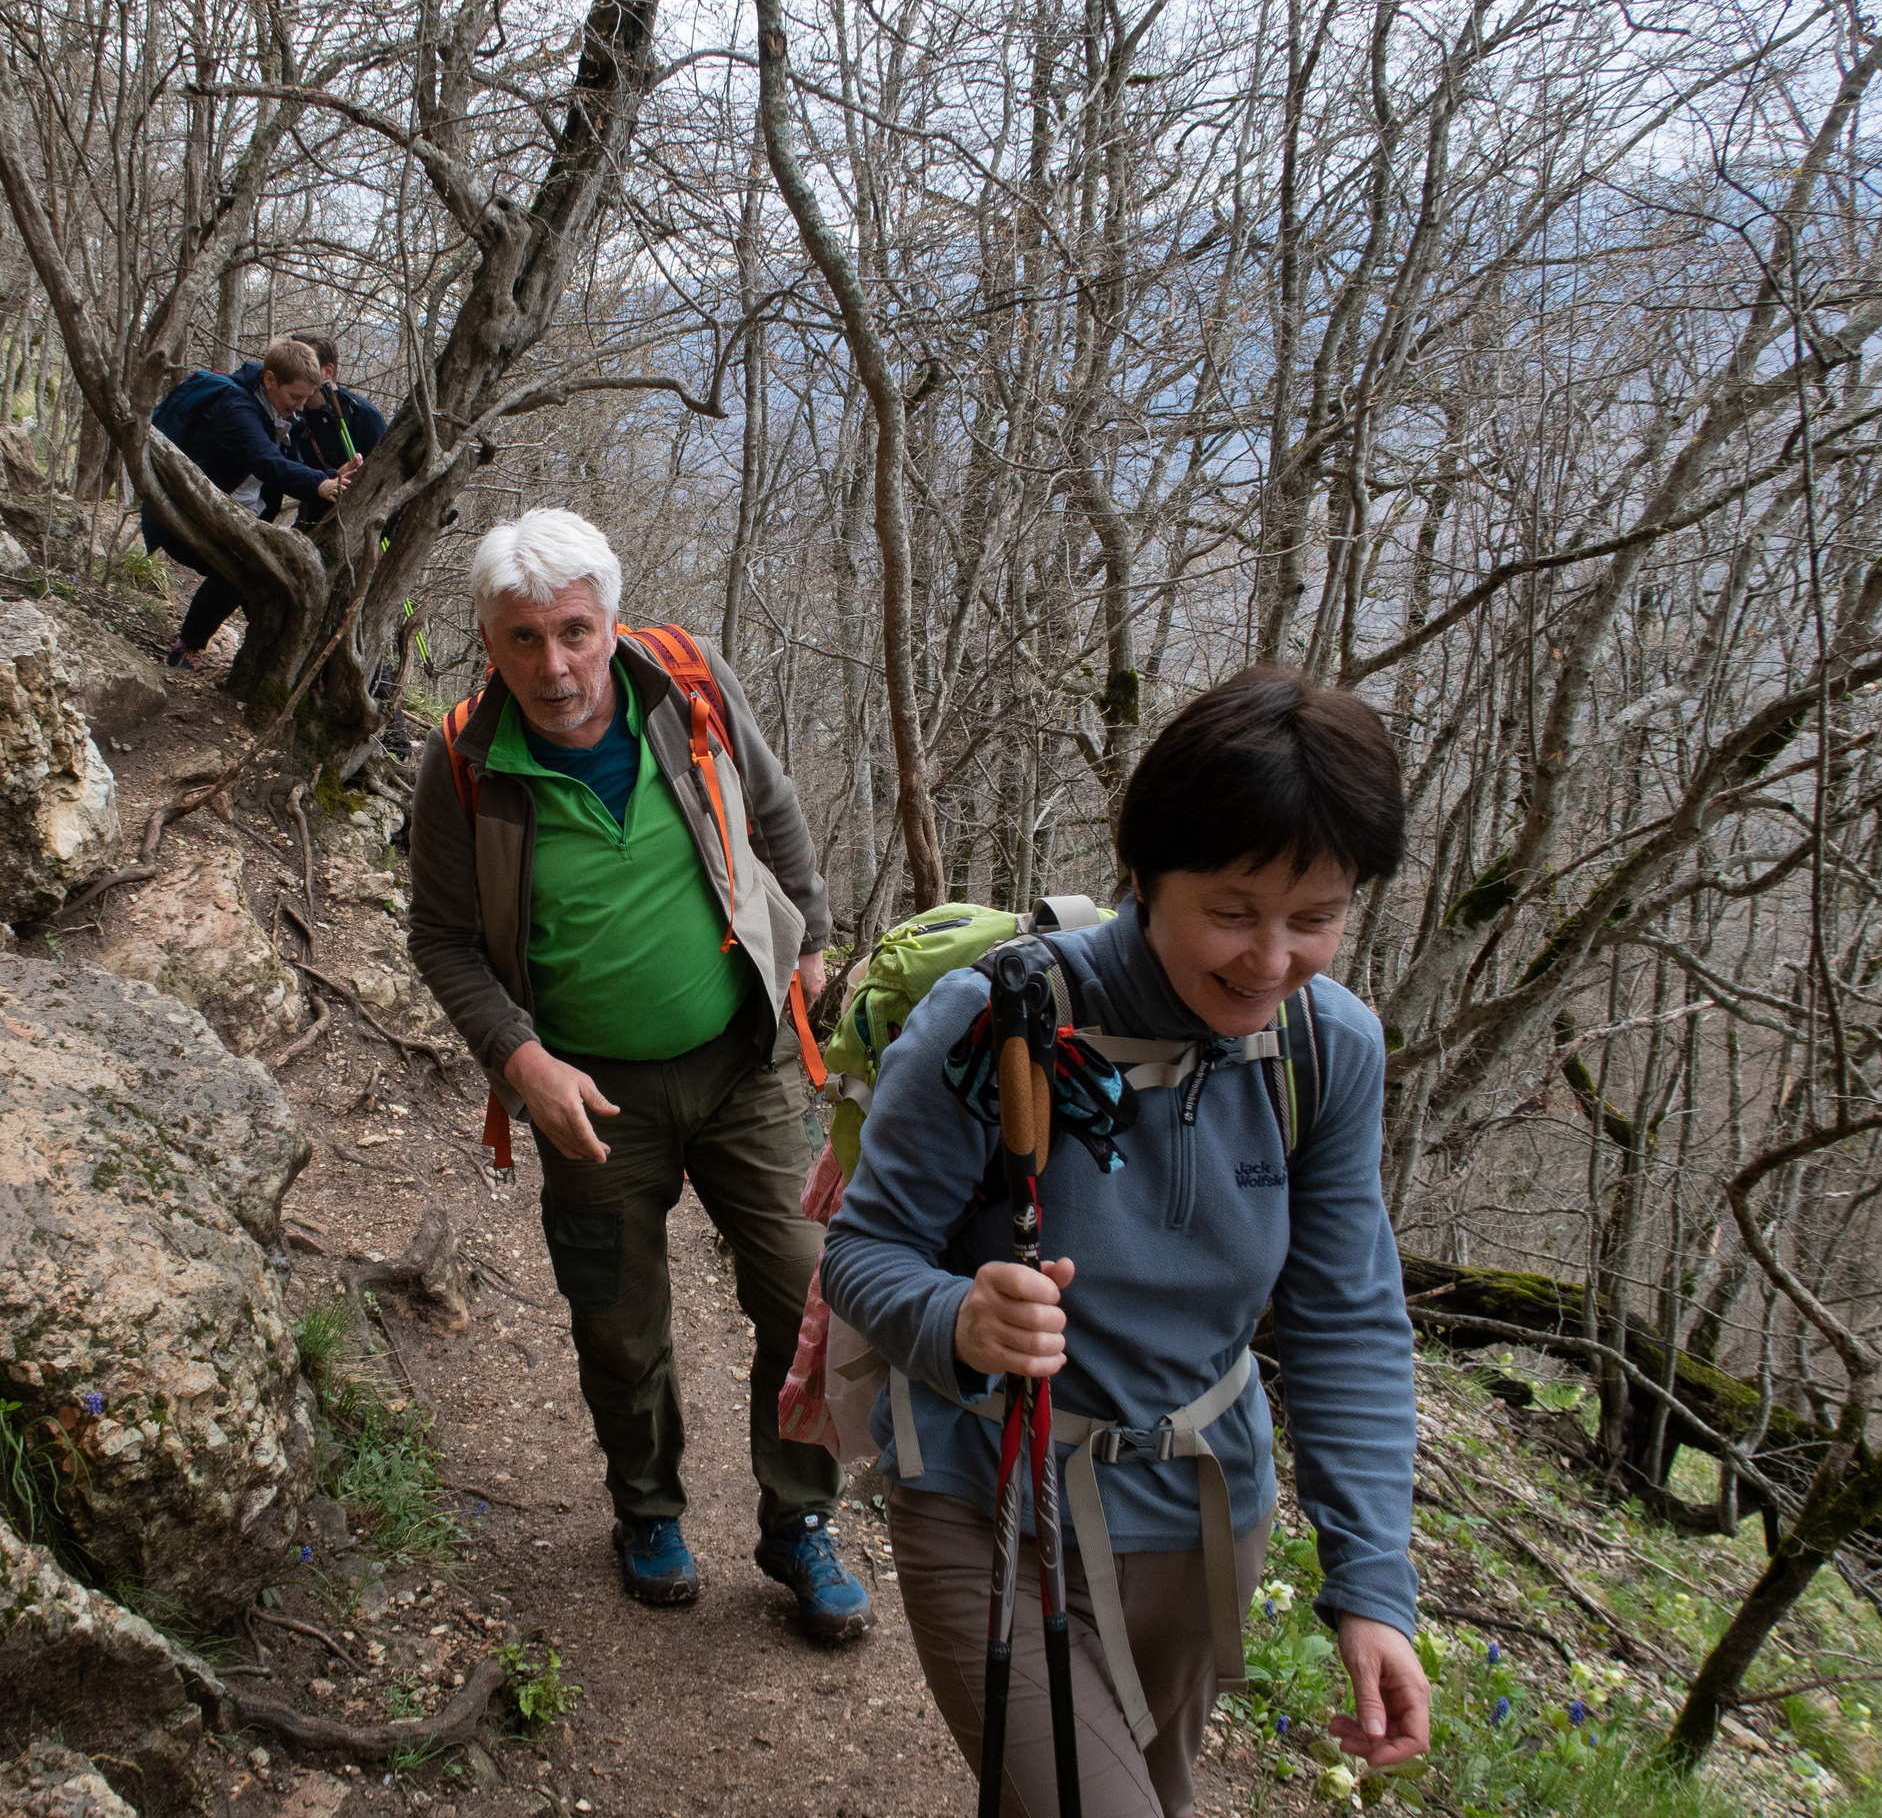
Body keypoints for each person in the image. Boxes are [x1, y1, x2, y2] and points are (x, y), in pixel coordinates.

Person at [820, 666, 1428, 1818]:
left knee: (1151, 1792)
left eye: (1317, 917)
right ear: (1143, 876)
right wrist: (961, 1318)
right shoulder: (999, 1022)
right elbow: (863, 1250)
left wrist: (1373, 1589)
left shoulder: (1327, 1053)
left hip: (1204, 1515)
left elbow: (1346, 1317)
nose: (1272, 961)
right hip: (991, 1502)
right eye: (1234, 912)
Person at [405, 508, 875, 1644]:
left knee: (805, 1293)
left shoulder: (686, 685)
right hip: (592, 1096)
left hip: (743, 1061)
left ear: (609, 619)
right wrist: (522, 1060)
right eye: (522, 639)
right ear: (488, 640)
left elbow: (770, 810)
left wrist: (809, 937)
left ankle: (798, 1520)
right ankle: (646, 1508)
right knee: (618, 1320)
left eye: (573, 630)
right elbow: (443, 940)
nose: (553, 665)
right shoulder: (466, 761)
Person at [140, 336, 360, 669]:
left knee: (268, 577)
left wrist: (331, 475)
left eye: (305, 398)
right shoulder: (235, 407)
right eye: (295, 396)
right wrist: (319, 483)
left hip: (230, 516)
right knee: (249, 566)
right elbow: (266, 461)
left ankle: (257, 660)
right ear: (270, 379)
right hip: (187, 516)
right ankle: (186, 648)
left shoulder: (279, 413)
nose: (300, 406)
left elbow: (292, 462)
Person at [288, 333, 388, 530]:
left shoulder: (361, 414)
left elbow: (389, 476)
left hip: (360, 525)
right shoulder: (292, 414)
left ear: (327, 371)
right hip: (312, 522)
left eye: (304, 364)